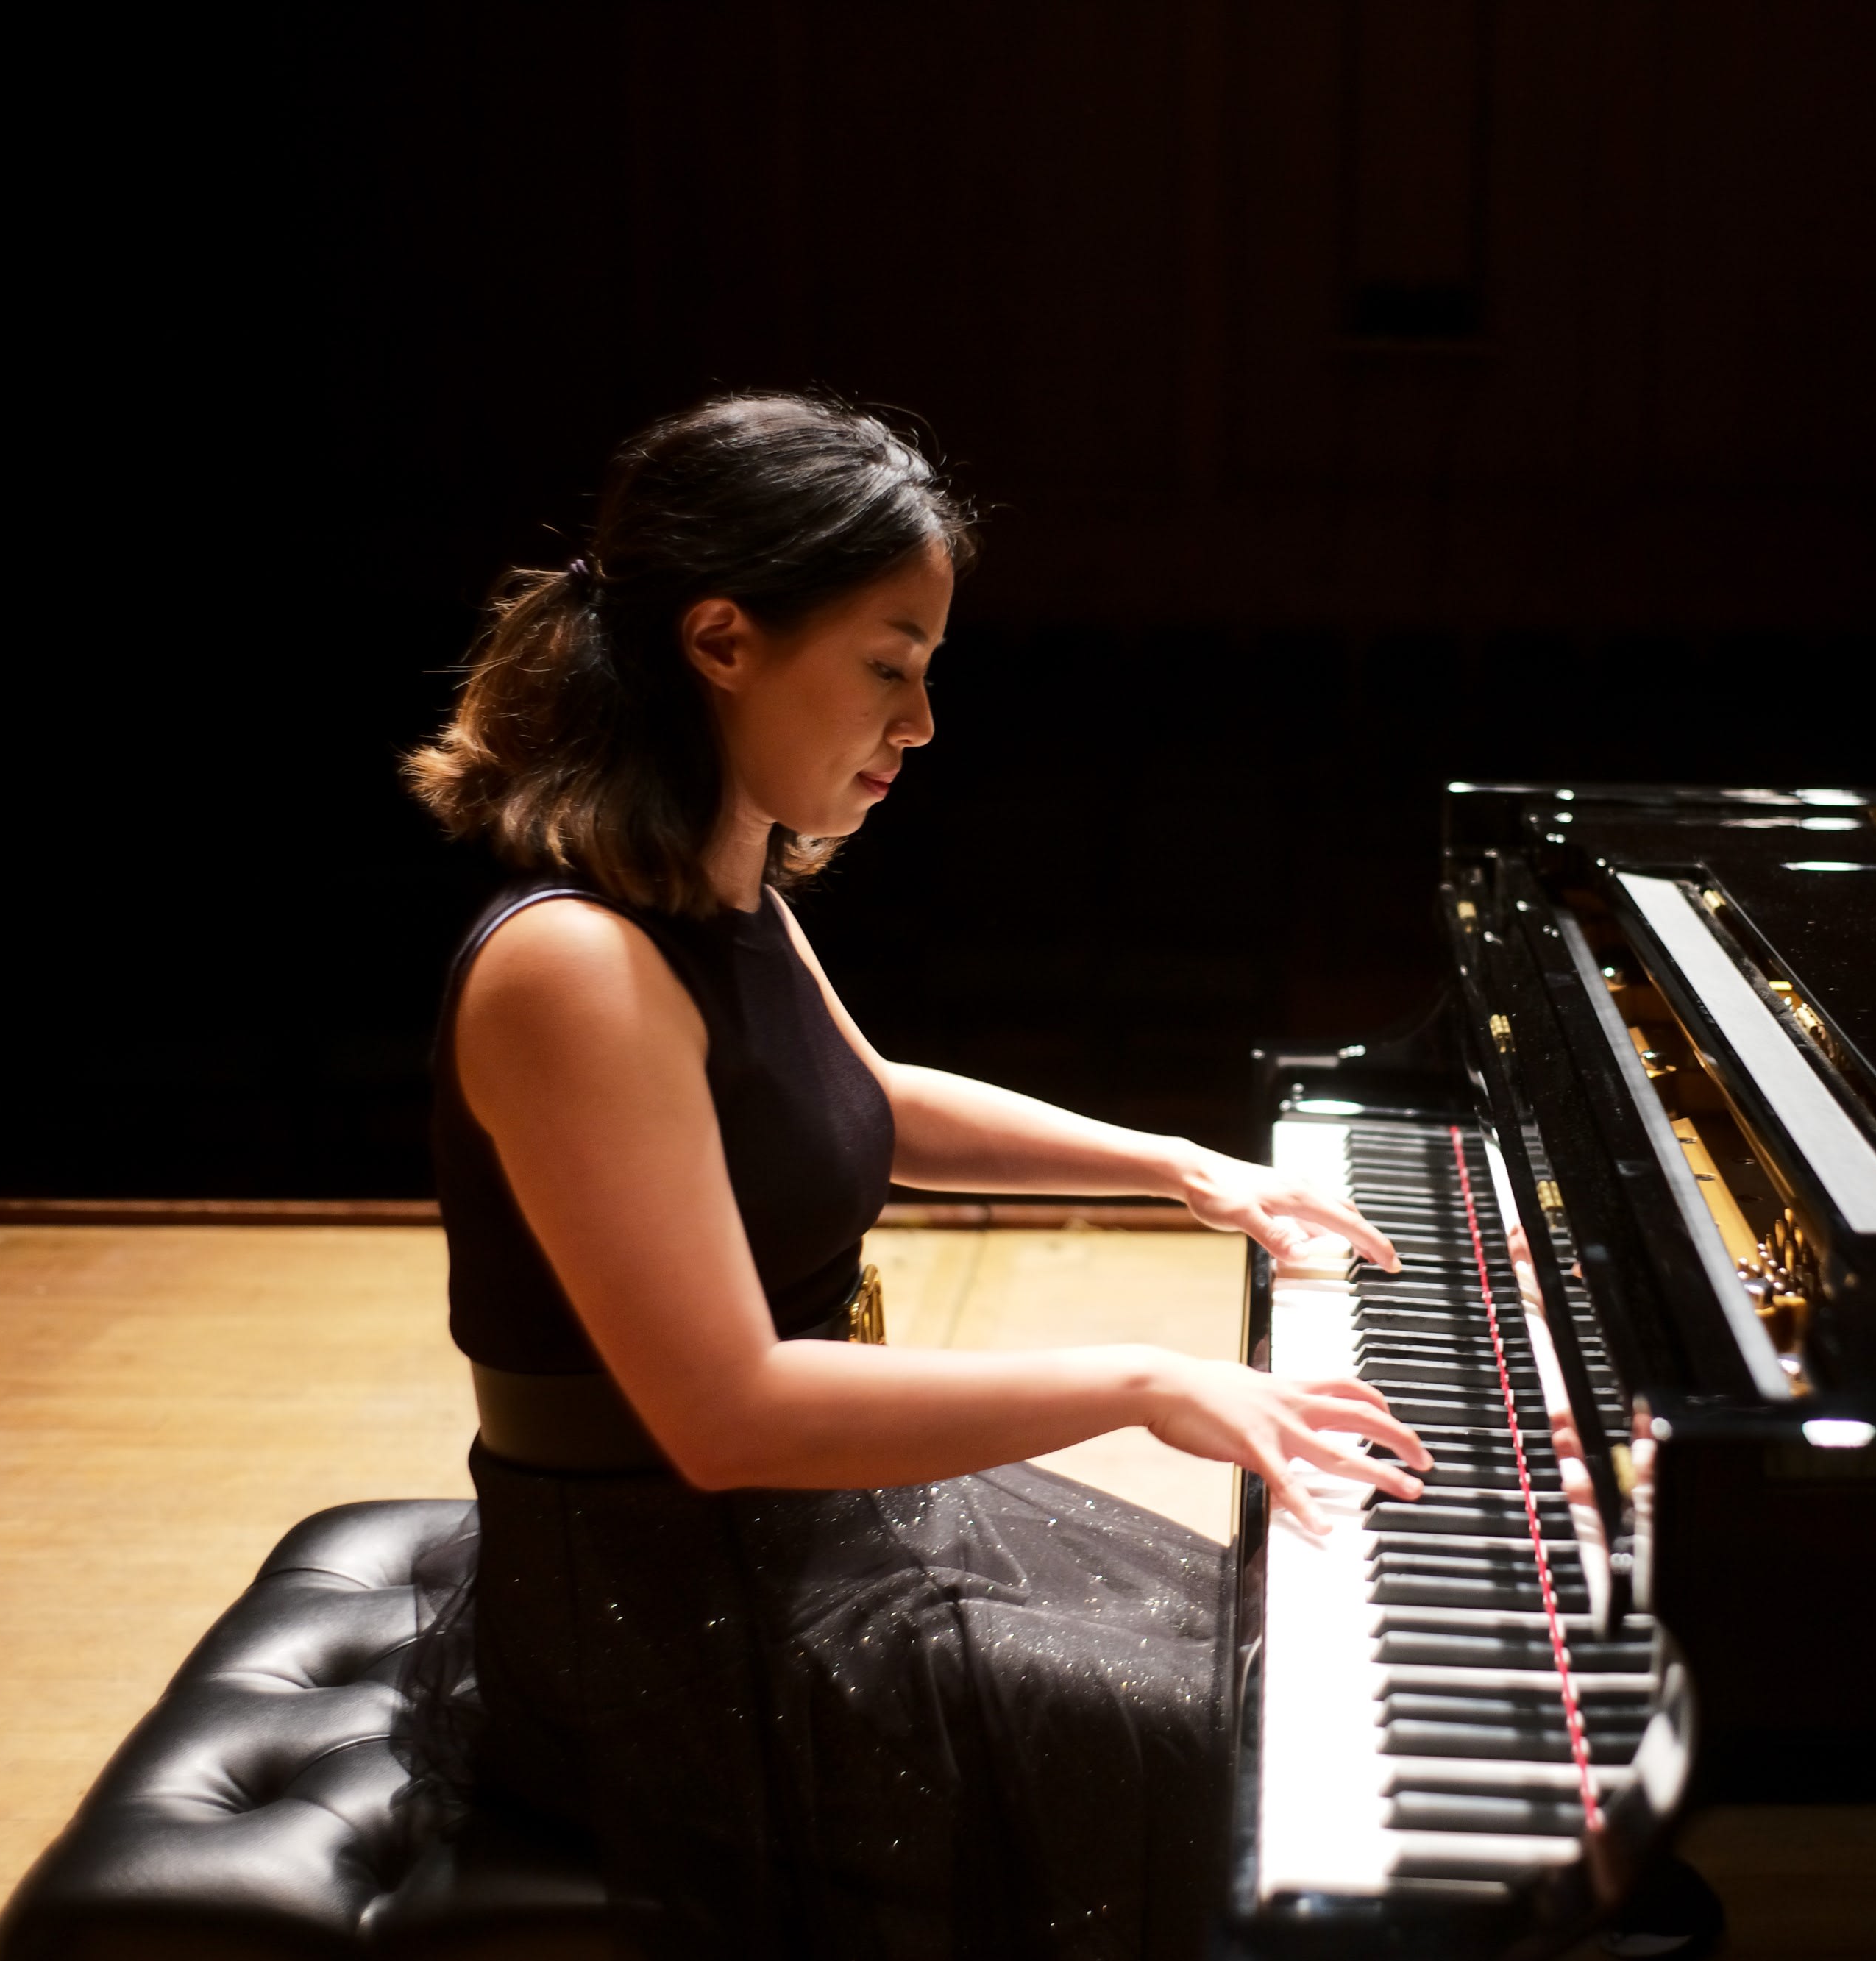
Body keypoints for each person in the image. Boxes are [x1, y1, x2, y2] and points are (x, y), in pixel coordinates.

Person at [395, 390, 1433, 1960]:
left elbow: (864, 1099)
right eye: (889, 668)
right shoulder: (576, 968)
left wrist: (1172, 1164)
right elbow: (726, 1410)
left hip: (807, 1532)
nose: (921, 725)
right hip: (670, 1625)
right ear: (722, 640)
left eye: (926, 673)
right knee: (1248, 1778)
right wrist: (1144, 1377)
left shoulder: (716, 869)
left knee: (1283, 1663)